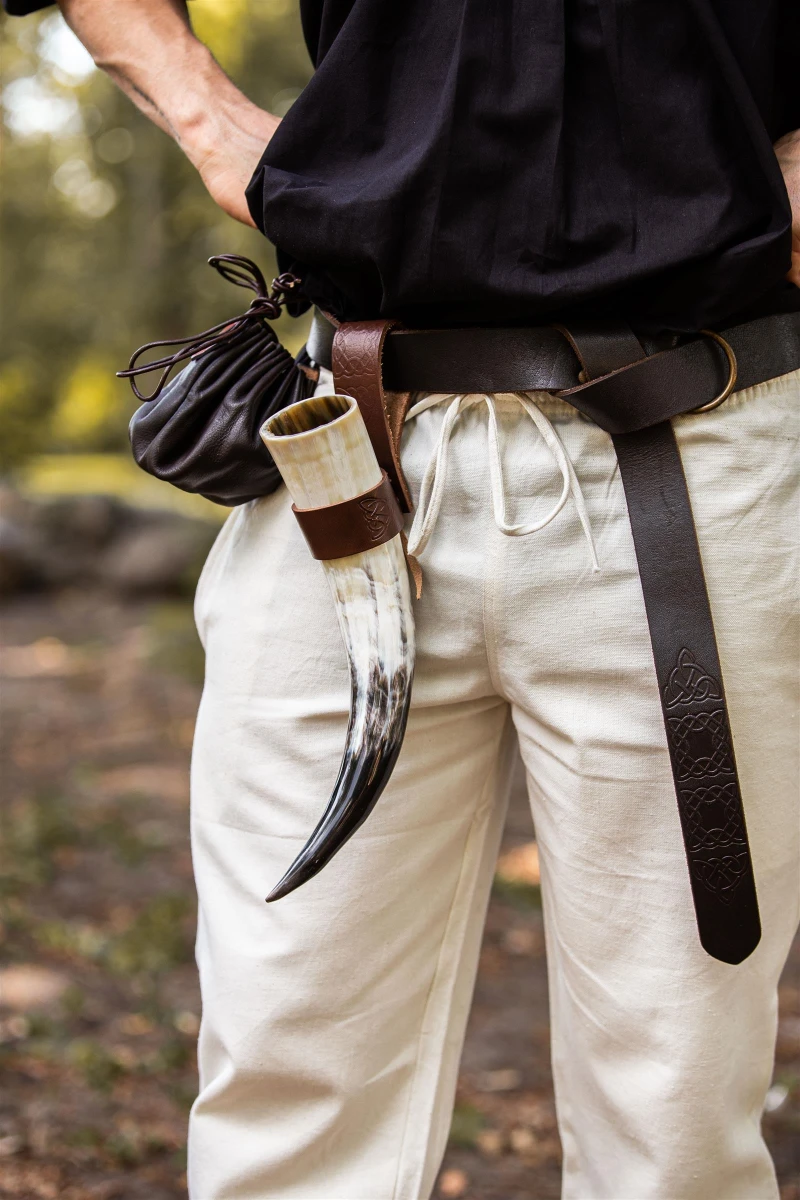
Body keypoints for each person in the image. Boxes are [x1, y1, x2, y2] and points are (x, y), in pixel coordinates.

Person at [6, 1, 799, 1197]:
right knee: (290, 1066)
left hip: (698, 443)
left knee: (674, 1116)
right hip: (349, 449)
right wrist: (208, 117)